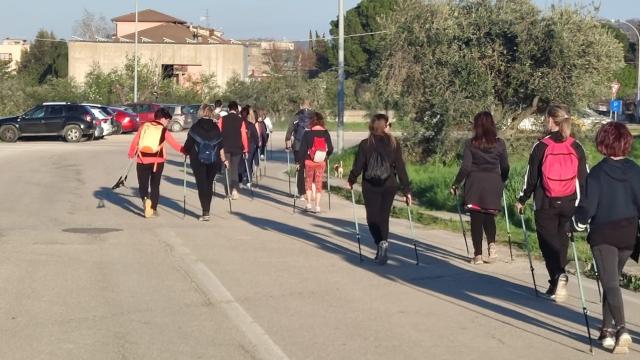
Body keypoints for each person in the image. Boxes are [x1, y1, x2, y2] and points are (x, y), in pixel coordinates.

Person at [574, 122, 638, 353]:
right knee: (611, 280)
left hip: (604, 234)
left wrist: (575, 224)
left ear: (603, 143)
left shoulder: (598, 173)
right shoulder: (635, 170)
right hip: (628, 234)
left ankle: (621, 329)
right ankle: (606, 331)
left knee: (610, 283)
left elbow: (587, 208)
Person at [516, 104, 588, 302]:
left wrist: (522, 198)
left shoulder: (541, 146)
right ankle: (555, 284)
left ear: (550, 120)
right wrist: (583, 206)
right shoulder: (576, 146)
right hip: (569, 202)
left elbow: (530, 178)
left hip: (545, 201)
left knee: (547, 243)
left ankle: (558, 276)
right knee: (561, 243)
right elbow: (583, 180)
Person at [348, 114, 412, 265]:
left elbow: (358, 166)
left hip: (370, 185)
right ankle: (383, 243)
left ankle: (379, 243)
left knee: (372, 218)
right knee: (384, 217)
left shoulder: (365, 144)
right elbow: (401, 168)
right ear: (385, 126)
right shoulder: (394, 143)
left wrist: (351, 179)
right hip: (389, 185)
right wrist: (406, 189)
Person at [451, 111, 510, 264]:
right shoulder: (500, 143)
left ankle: (478, 255)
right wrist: (502, 180)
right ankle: (492, 245)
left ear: (476, 126)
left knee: (476, 219)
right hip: (493, 182)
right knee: (489, 216)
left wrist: (456, 183)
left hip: (474, 183)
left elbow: (465, 168)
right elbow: (505, 166)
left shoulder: (471, 144)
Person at [127, 108, 183, 218]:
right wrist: (185, 151)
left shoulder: (144, 126)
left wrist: (131, 154)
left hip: (142, 160)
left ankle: (145, 200)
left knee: (143, 185)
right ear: (162, 119)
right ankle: (153, 208)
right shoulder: (163, 130)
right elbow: (174, 144)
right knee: (155, 185)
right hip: (158, 161)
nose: (167, 123)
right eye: (167, 120)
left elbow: (135, 141)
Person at [182, 104, 227, 221]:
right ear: (211, 113)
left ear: (201, 112)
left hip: (198, 160)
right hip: (214, 160)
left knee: (201, 184)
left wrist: (185, 151)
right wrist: (224, 159)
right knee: (209, 184)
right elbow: (221, 145)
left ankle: (205, 212)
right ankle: (207, 210)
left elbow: (188, 145)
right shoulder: (216, 128)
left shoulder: (195, 127)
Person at [297, 112, 333, 213]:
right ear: (322, 121)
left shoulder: (307, 133)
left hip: (309, 161)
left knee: (308, 182)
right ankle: (317, 206)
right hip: (321, 162)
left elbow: (302, 150)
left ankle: (308, 204)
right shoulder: (326, 133)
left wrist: (300, 162)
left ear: (311, 121)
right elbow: (330, 148)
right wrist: (326, 155)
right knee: (318, 182)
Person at [219, 101, 248, 200]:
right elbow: (244, 136)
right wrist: (246, 148)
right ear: (236, 110)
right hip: (237, 148)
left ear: (228, 109)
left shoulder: (222, 119)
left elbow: (219, 133)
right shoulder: (241, 121)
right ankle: (235, 190)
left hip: (225, 147)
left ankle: (228, 193)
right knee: (234, 169)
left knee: (227, 169)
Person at [285, 100, 314, 199]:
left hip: (297, 146)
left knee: (300, 169)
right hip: (310, 147)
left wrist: (287, 142)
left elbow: (289, 131)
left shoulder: (296, 116)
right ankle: (311, 191)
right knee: (310, 168)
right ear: (310, 106)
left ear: (301, 106)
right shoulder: (314, 116)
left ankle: (301, 193)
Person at [239, 105, 259, 185]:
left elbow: (255, 135)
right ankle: (247, 178)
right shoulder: (249, 124)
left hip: (245, 145)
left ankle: (244, 178)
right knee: (248, 162)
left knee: (243, 162)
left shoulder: (239, 124)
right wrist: (257, 145)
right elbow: (256, 136)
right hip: (249, 145)